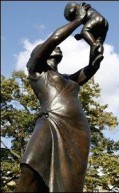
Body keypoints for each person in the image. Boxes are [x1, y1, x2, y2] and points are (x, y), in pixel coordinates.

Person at [15, 3, 104, 192]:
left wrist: (95, 57)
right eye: (45, 48)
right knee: (30, 166)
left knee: (69, 181)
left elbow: (87, 71)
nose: (55, 48)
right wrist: (79, 20)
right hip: (50, 122)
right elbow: (54, 39)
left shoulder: (67, 79)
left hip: (76, 129)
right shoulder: (36, 70)